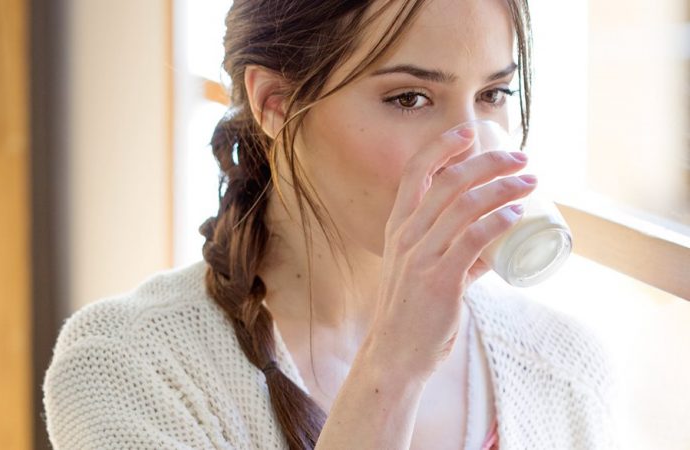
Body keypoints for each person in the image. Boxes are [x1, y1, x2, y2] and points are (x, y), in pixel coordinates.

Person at [43, 0, 619, 448]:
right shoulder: (128, 368)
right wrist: (393, 369)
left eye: (494, 93)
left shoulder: (562, 366)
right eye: (410, 98)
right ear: (274, 103)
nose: (466, 154)